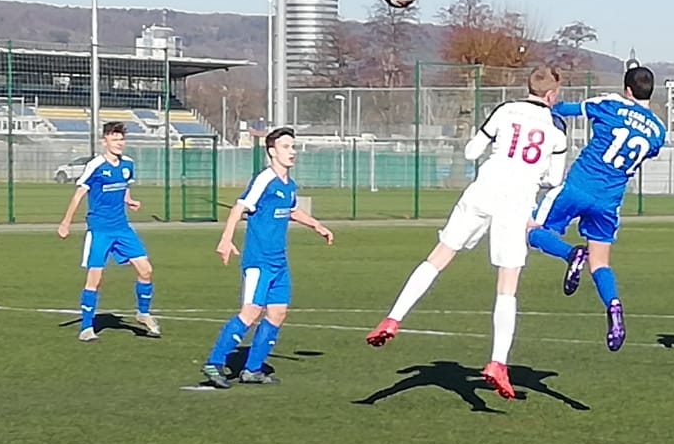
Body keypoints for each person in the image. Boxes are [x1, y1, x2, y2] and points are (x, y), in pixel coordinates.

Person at [366, 66, 568, 399]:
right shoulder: (556, 130)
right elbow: (554, 179)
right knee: (507, 285)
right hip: (516, 201)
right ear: (552, 94)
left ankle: (393, 318)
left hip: (483, 189)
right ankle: (497, 362)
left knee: (439, 257)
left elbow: (471, 152)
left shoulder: (505, 110)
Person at [526, 64, 667, 351]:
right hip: (608, 202)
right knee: (600, 263)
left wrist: (542, 108)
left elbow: (566, 109)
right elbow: (648, 150)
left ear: (627, 89)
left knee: (529, 230)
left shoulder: (611, 104)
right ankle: (613, 305)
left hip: (578, 186)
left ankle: (571, 254)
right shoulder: (658, 130)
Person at [200, 127, 334, 387]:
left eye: (293, 146)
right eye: (286, 147)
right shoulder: (264, 179)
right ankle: (214, 363)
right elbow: (239, 207)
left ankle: (252, 370)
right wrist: (226, 239)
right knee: (250, 312)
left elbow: (292, 210)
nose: (292, 152)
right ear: (272, 151)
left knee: (278, 313)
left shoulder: (289, 185)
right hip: (259, 262)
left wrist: (317, 226)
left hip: (279, 263)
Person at [56, 120, 159, 341]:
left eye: (121, 139)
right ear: (105, 141)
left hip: (122, 228)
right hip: (100, 230)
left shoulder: (128, 164)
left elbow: (124, 187)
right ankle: (86, 328)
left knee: (146, 270)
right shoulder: (96, 165)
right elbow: (79, 194)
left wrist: (129, 200)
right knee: (95, 278)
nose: (119, 143)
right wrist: (66, 222)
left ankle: (143, 313)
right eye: (114, 139)